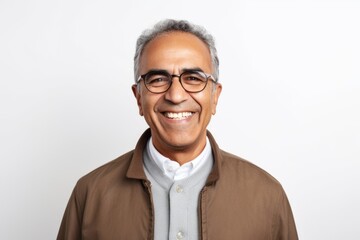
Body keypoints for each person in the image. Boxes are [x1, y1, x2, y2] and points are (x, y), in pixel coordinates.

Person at [57, 19, 298, 240]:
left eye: (193, 78)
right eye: (158, 79)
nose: (175, 95)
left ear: (215, 96)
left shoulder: (268, 195)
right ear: (138, 97)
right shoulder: (90, 195)